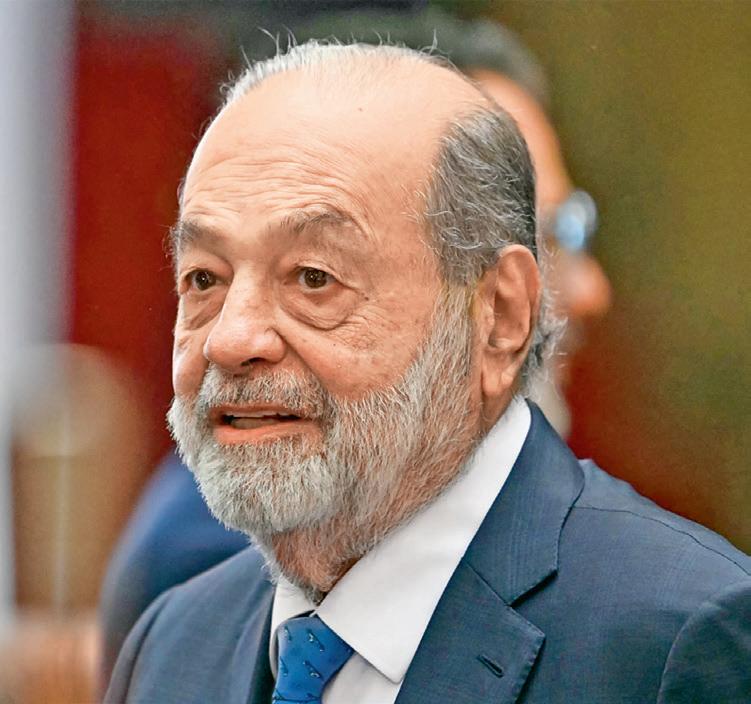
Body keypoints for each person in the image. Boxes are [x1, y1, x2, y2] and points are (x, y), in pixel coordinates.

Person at [105, 41, 751, 703]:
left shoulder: (677, 644)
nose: (231, 339)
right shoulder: (173, 644)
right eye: (203, 278)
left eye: (314, 277)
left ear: (499, 317)